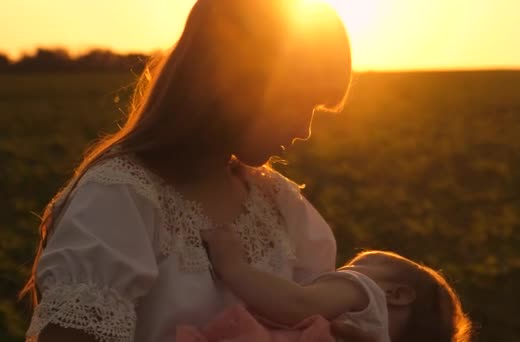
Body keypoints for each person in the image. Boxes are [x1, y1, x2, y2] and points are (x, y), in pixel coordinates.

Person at [20, 0, 365, 341]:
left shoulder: (282, 205)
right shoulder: (119, 199)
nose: (305, 129)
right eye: (298, 99)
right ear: (235, 78)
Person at [185, 227, 472, 342]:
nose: (339, 273)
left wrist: (232, 266)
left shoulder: (364, 291)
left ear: (396, 294)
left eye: (356, 265)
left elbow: (298, 304)